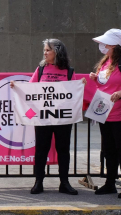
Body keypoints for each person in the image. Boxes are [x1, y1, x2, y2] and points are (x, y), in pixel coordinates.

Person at [25, 39, 85, 195]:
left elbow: (74, 94)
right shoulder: (40, 70)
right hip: (43, 117)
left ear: (57, 52)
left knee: (63, 150)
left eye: (47, 50)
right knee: (41, 150)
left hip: (63, 118)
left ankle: (64, 183)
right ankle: (38, 182)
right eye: (44, 50)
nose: (44, 53)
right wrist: (17, 88)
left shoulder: (69, 71)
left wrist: (80, 85)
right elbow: (31, 90)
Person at [89, 29, 121, 198]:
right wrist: (96, 79)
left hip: (120, 113)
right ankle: (110, 183)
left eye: (106, 43)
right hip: (104, 112)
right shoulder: (106, 62)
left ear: (115, 45)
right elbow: (104, 85)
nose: (103, 46)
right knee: (108, 150)